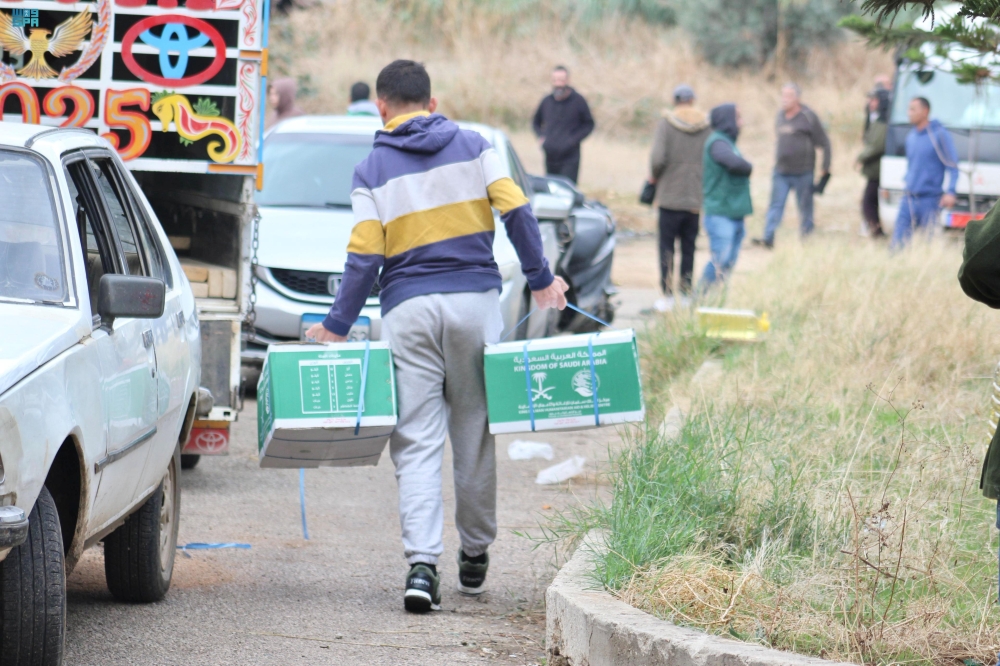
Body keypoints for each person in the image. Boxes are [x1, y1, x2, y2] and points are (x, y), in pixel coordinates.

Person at [305, 60, 568, 614]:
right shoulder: (474, 145)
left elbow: (364, 258)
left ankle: (422, 568)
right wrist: (541, 280)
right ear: (431, 100)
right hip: (475, 302)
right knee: (473, 430)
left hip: (409, 310)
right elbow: (517, 210)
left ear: (381, 106)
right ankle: (474, 554)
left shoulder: (370, 170)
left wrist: (335, 325)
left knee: (418, 438)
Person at [647, 84, 711, 311]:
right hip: (694, 198)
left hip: (669, 197)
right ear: (693, 101)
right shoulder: (706, 126)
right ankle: (685, 293)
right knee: (689, 247)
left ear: (675, 100)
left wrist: (654, 178)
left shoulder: (667, 123)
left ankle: (666, 296)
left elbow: (658, 158)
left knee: (666, 247)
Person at [752, 83, 831, 248]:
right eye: (783, 95)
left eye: (788, 96)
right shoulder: (780, 116)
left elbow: (824, 142)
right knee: (775, 205)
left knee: (805, 207)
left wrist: (826, 166)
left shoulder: (808, 116)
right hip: (781, 171)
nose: (784, 99)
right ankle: (768, 238)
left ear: (797, 98)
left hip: (803, 172)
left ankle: (807, 240)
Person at [891, 97, 959, 249]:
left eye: (913, 109)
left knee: (929, 245)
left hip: (929, 200)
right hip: (908, 198)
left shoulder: (939, 135)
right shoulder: (911, 137)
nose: (909, 113)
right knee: (897, 244)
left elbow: (952, 166)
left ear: (925, 111)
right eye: (908, 109)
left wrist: (951, 191)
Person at [700, 104, 753, 289]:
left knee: (728, 262)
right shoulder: (718, 142)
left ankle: (714, 301)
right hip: (721, 213)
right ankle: (700, 300)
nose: (742, 123)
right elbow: (732, 162)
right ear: (728, 120)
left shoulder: (726, 142)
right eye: (738, 118)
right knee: (720, 259)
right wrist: (748, 166)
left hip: (732, 212)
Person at [532, 65, 595, 184]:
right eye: (555, 80)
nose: (558, 84)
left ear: (568, 80)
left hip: (570, 157)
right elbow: (535, 122)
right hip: (550, 155)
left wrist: (573, 140)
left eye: (561, 80)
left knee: (567, 189)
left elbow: (589, 124)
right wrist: (542, 138)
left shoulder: (578, 101)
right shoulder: (546, 101)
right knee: (551, 189)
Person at [857, 88, 890, 237]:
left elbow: (877, 145)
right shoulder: (875, 119)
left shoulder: (884, 121)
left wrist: (860, 157)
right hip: (875, 170)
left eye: (874, 99)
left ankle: (876, 233)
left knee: (868, 203)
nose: (871, 103)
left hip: (879, 171)